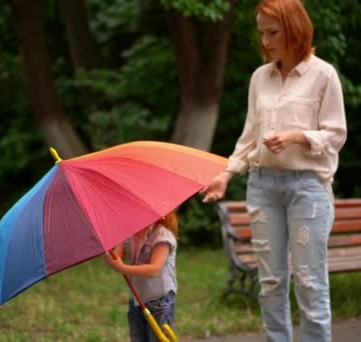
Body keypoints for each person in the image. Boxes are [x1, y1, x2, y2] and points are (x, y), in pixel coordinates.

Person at [200, 0, 347, 341]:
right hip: (262, 187)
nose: (265, 41)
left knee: (310, 283)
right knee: (270, 285)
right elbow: (250, 136)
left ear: (294, 28)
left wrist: (298, 137)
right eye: (261, 32)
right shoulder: (259, 78)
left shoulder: (323, 75)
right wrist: (227, 173)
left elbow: (336, 134)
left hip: (307, 189)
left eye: (272, 32)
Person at [105, 211, 178, 342]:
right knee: (138, 338)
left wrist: (123, 268)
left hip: (159, 300)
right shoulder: (133, 234)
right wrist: (111, 255)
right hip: (138, 299)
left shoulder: (163, 236)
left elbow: (154, 269)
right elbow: (117, 255)